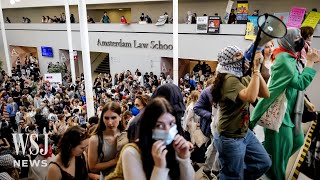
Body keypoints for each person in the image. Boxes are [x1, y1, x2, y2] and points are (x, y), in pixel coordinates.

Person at [250, 28, 320, 179]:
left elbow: (293, 85)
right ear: (288, 41)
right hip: (279, 115)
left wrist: (306, 103)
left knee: (297, 141)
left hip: (289, 111)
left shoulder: (289, 57)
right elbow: (299, 83)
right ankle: (273, 169)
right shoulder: (284, 61)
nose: (300, 41)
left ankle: (271, 161)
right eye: (297, 39)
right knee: (279, 156)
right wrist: (310, 61)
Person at [211, 45, 271, 179]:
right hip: (230, 137)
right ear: (228, 61)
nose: (243, 57)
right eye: (237, 55)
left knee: (263, 162)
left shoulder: (241, 77)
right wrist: (255, 70)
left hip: (244, 133)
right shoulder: (228, 79)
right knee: (232, 175)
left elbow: (265, 93)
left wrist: (257, 71)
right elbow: (250, 97)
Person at [120, 97, 195, 180]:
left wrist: (184, 159)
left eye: (171, 123)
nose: (167, 130)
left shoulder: (175, 147)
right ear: (148, 127)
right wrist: (159, 168)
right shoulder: (132, 152)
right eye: (159, 125)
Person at [88, 102, 122, 179]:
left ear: (120, 117)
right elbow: (92, 167)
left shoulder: (127, 134)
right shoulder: (95, 139)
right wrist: (115, 161)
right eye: (106, 118)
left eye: (113, 118)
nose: (110, 122)